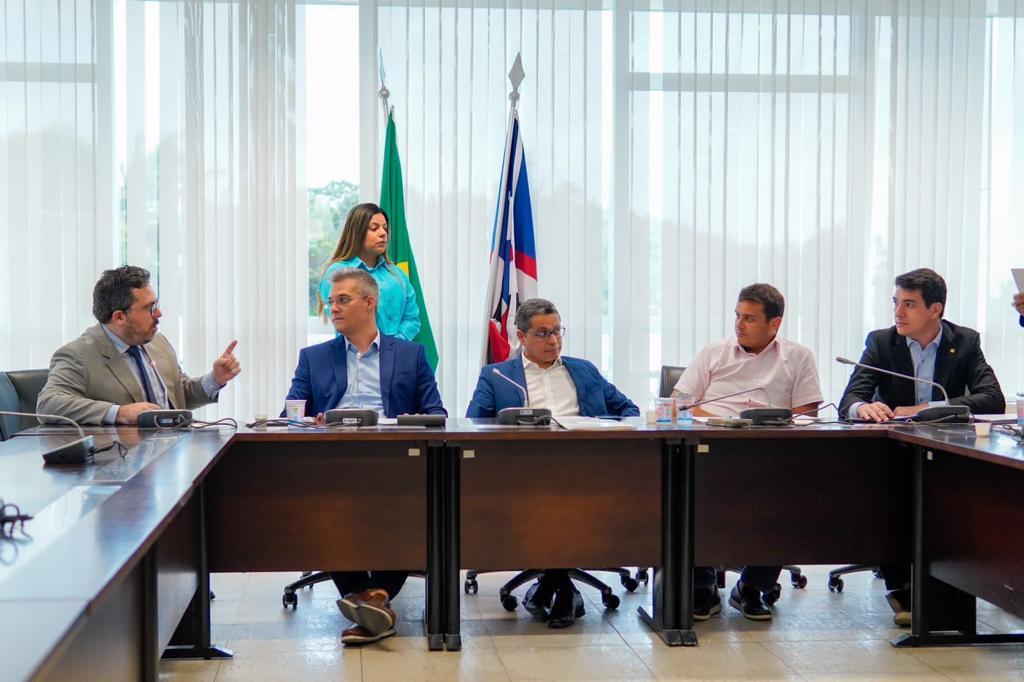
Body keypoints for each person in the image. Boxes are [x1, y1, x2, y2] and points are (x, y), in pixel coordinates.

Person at [285, 267, 445, 645]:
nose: (333, 308)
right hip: (333, 463)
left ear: (370, 302)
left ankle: (369, 599)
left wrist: (400, 424)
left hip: (395, 461)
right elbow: (289, 416)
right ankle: (373, 598)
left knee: (414, 505)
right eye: (330, 301)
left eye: (343, 300)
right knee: (331, 509)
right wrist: (313, 420)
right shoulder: (314, 357)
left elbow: (437, 414)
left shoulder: (409, 355)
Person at [839, 267, 1004, 626]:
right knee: (891, 500)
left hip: (950, 457)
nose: (898, 313)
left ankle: (949, 590)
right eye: (896, 303)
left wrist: (926, 409)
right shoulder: (882, 342)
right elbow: (850, 398)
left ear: (936, 310)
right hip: (895, 454)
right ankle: (900, 587)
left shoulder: (966, 341)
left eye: (909, 304)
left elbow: (992, 398)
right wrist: (862, 407)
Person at [466, 298, 640, 629]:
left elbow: (628, 408)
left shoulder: (583, 369)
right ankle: (562, 591)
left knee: (567, 499)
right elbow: (475, 424)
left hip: (587, 469)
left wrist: (609, 433)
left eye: (558, 331)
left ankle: (552, 586)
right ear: (521, 336)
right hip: (523, 473)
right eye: (543, 333)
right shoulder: (498, 375)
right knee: (551, 501)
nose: (554, 341)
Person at [672, 283, 822, 622]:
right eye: (737, 316)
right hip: (710, 449)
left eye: (750, 319)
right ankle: (702, 586)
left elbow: (806, 415)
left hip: (771, 453)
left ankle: (754, 587)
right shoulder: (714, 352)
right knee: (690, 493)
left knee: (786, 497)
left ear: (775, 324)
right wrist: (723, 422)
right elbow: (679, 405)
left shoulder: (798, 357)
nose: (739, 325)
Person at [38, 266, 240, 425]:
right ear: (119, 317)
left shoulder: (158, 342)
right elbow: (48, 404)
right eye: (149, 308)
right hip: (124, 462)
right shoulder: (78, 354)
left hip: (175, 452)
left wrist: (215, 379)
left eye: (157, 305)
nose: (159, 314)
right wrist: (119, 413)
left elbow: (179, 396)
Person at [317, 202, 420, 341]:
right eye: (374, 228)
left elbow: (412, 319)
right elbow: (342, 319)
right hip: (354, 358)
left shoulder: (397, 274)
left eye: (385, 228)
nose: (383, 233)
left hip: (398, 355)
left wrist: (394, 346)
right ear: (356, 233)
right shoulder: (337, 273)